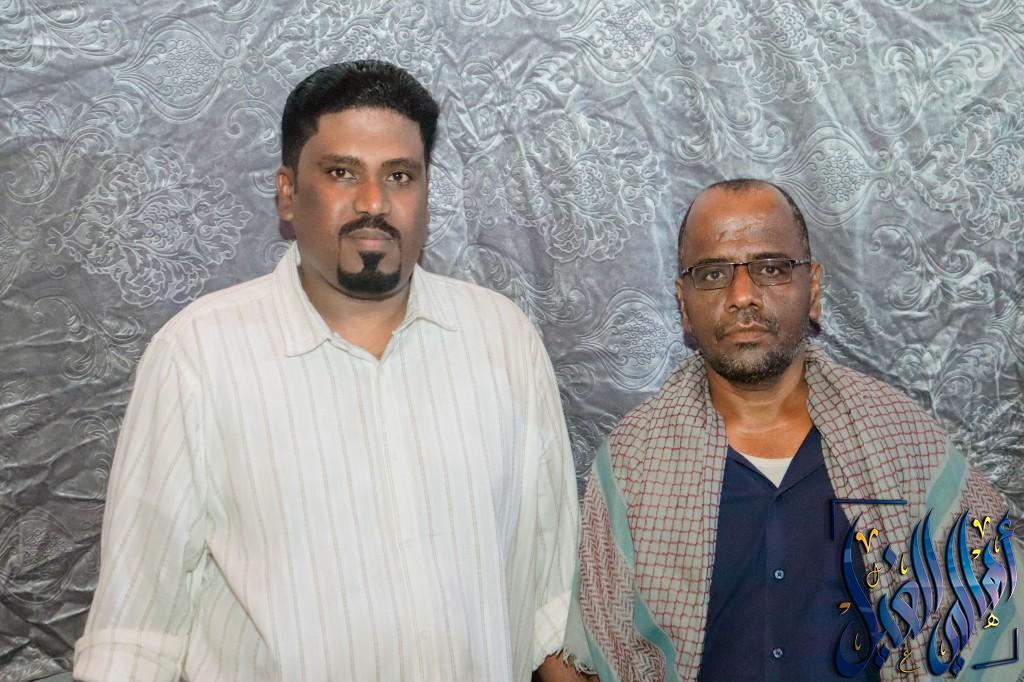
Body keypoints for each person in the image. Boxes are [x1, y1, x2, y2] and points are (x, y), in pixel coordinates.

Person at [74, 60, 578, 682]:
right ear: (287, 192)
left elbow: (552, 599)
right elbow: (136, 635)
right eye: (342, 173)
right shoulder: (198, 355)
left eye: (399, 175)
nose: (374, 203)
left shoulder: (502, 339)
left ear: (427, 192)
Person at [556, 179, 1019, 681]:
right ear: (684, 304)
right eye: (713, 273)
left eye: (771, 268)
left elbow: (997, 608)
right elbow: (581, 652)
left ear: (812, 289)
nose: (742, 296)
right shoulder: (634, 461)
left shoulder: (900, 440)